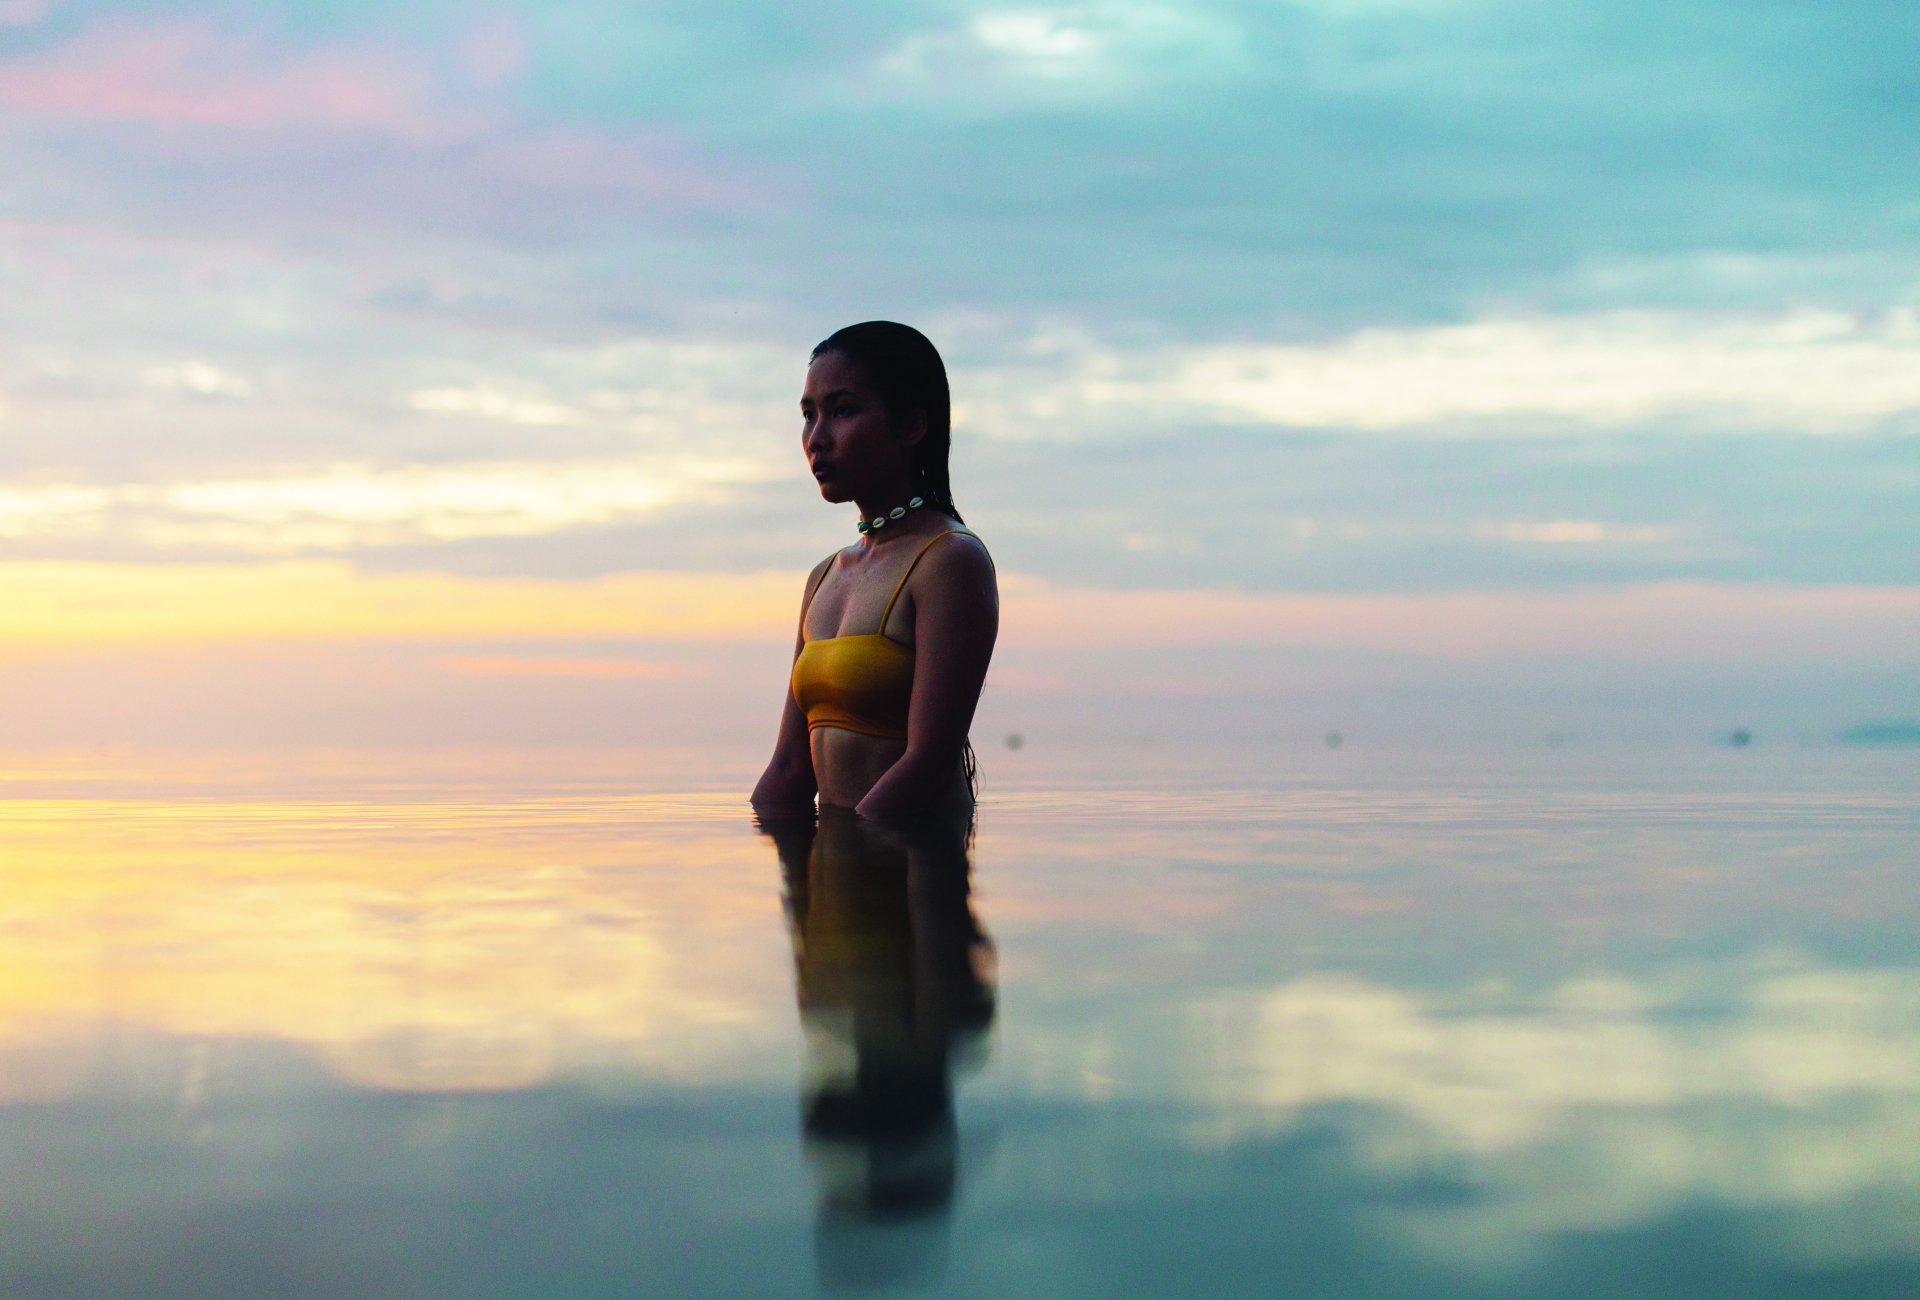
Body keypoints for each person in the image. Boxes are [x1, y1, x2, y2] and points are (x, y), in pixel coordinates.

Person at [751, 322, 998, 819]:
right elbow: (789, 768)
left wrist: (844, 852)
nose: (816, 438)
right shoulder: (823, 577)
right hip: (832, 885)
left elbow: (927, 764)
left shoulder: (950, 560)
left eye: (842, 411)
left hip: (915, 872)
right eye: (808, 415)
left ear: (911, 426)